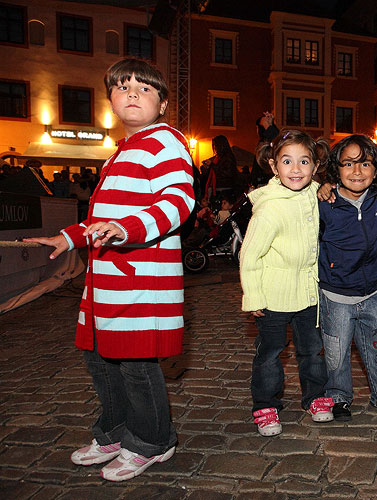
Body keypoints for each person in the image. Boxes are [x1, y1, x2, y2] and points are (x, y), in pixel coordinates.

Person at [24, 58, 195, 481]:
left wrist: (127, 228)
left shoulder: (165, 141)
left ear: (163, 103)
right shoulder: (119, 152)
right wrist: (68, 237)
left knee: (136, 364)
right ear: (111, 101)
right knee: (99, 358)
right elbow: (102, 217)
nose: (132, 93)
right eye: (122, 87)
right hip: (105, 282)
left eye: (145, 88)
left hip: (143, 280)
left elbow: (179, 201)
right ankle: (116, 431)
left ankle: (155, 441)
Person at [239, 129, 333, 437]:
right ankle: (265, 405)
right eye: (287, 162)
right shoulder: (269, 209)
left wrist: (325, 187)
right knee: (270, 353)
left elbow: (324, 190)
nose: (296, 169)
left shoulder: (312, 192)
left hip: (307, 295)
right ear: (273, 166)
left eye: (304, 161)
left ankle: (315, 397)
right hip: (273, 297)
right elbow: (249, 256)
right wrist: (253, 297)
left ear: (315, 165)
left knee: (311, 350)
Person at [318, 134, 377, 421]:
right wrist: (320, 187)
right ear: (336, 170)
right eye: (348, 164)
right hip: (335, 294)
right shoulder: (325, 203)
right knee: (336, 354)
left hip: (374, 291)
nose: (357, 172)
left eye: (365, 164)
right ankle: (338, 397)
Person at [203, 135, 239, 202]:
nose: (215, 148)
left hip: (225, 190)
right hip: (219, 189)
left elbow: (227, 173)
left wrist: (212, 165)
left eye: (216, 146)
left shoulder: (228, 157)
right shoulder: (219, 158)